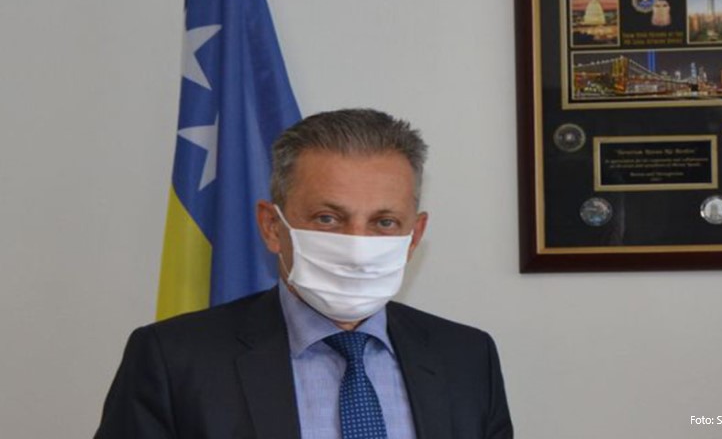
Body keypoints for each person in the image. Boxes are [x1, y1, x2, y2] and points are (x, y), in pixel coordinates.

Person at [95, 108, 513, 439]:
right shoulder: (174, 359)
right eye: (328, 218)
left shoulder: (467, 357)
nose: (356, 246)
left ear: (414, 235)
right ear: (272, 227)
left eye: (384, 222)